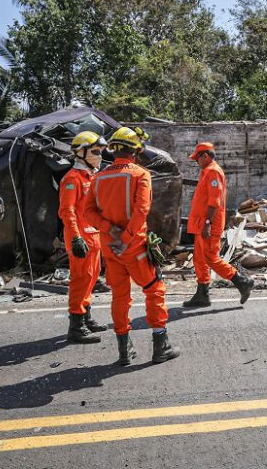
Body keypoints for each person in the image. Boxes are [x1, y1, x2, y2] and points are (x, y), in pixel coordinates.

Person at [84, 127, 180, 365]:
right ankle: (161, 347)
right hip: (134, 248)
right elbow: (142, 211)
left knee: (119, 296)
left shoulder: (98, 178)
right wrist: (126, 238)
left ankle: (125, 353)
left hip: (110, 249)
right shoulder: (140, 174)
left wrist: (109, 230)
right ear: (135, 151)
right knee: (154, 289)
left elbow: (88, 212)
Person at [183, 142, 254, 307]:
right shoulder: (206, 172)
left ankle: (242, 281)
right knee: (199, 260)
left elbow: (214, 201)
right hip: (201, 225)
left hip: (208, 225)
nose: (196, 162)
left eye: (197, 159)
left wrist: (208, 223)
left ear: (205, 156)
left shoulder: (213, 172)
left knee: (211, 259)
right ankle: (202, 294)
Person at [59, 131, 109, 344]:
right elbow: (66, 211)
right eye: (95, 151)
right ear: (81, 153)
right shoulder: (72, 179)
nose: (99, 155)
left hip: (94, 237)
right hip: (80, 239)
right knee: (81, 280)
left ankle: (86, 317)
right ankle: (76, 327)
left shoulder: (91, 176)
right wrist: (75, 237)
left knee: (91, 278)